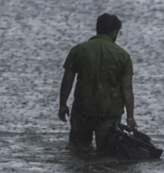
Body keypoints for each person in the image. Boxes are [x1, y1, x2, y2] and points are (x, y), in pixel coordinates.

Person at [58, 13, 136, 154]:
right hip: (109, 114)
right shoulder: (122, 56)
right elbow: (127, 88)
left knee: (78, 151)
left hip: (82, 110)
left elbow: (67, 81)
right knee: (107, 154)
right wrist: (130, 117)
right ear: (114, 32)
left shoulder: (78, 50)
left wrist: (63, 104)